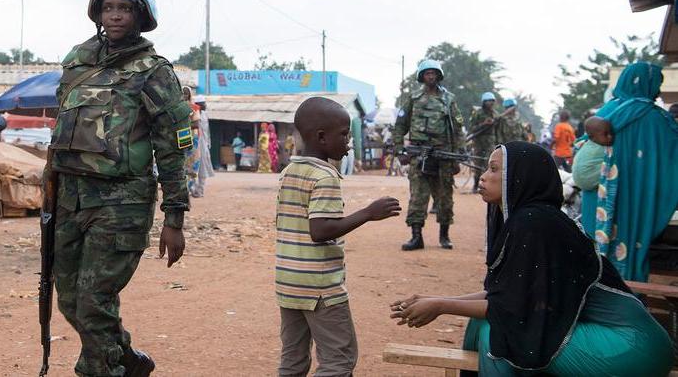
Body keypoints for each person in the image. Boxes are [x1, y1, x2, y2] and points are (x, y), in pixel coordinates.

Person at [390, 142, 673, 376]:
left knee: (497, 332)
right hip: (613, 336)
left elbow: (511, 310)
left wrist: (441, 306)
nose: (483, 177)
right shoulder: (530, 218)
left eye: (494, 169)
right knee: (483, 323)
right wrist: (436, 299)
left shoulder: (534, 222)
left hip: (629, 345)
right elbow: (506, 296)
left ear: (521, 177)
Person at [48, 0, 192, 376]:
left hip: (122, 203)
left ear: (141, 15)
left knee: (94, 303)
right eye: (108, 7)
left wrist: (174, 219)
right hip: (71, 199)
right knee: (70, 300)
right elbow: (61, 128)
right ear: (97, 12)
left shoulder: (153, 71)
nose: (115, 15)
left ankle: (102, 369)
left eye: (124, 8)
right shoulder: (77, 62)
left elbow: (171, 148)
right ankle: (125, 358)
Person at [276, 96, 401, 376]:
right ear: (321, 137)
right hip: (320, 286)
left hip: (288, 282)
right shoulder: (325, 177)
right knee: (338, 361)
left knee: (293, 360)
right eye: (344, 134)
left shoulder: (288, 172)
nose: (348, 142)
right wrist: (368, 213)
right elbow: (320, 230)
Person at [577, 62, 678, 282]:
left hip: (598, 202)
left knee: (595, 259)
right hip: (634, 202)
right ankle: (628, 297)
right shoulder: (658, 120)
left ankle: (596, 295)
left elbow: (582, 164)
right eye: (657, 85)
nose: (658, 92)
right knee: (630, 252)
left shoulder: (608, 110)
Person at [393, 59, 465, 250]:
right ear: (422, 76)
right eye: (427, 73)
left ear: (439, 75)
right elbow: (400, 126)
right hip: (419, 155)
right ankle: (416, 237)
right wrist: (399, 149)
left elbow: (458, 128)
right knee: (418, 197)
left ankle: (444, 236)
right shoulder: (413, 98)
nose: (431, 76)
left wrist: (459, 152)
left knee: (445, 198)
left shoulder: (449, 99)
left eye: (433, 73)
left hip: (443, 155)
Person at [467, 91, 497, 194]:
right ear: (484, 102)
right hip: (478, 142)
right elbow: (472, 128)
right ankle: (475, 185)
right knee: (477, 164)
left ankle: (487, 187)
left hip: (490, 142)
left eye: (492, 101)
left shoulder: (495, 114)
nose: (491, 103)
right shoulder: (477, 113)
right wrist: (484, 124)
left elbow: (498, 130)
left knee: (489, 164)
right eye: (488, 101)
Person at [192, 95, 214, 197]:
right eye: (203, 103)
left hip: (204, 144)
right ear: (198, 105)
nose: (205, 105)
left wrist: (208, 143)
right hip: (194, 144)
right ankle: (192, 189)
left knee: (203, 168)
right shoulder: (192, 114)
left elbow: (207, 131)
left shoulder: (205, 115)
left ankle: (200, 190)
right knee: (192, 167)